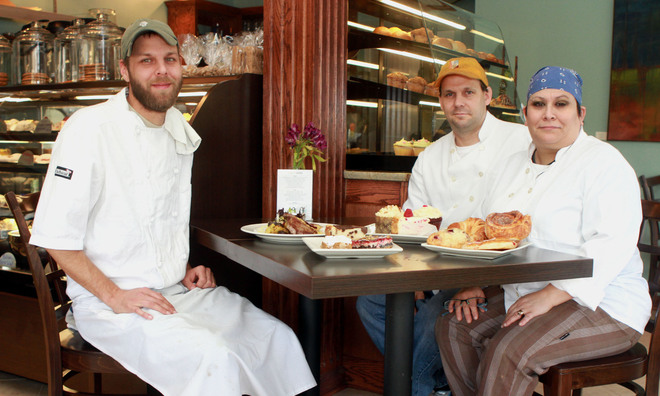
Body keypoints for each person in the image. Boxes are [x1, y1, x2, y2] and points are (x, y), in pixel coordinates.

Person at [29, 19, 316, 396]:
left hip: (175, 290)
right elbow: (57, 238)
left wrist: (181, 268)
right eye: (146, 61)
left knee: (276, 339)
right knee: (214, 357)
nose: (161, 70)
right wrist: (116, 296)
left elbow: (154, 218)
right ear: (125, 70)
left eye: (170, 59)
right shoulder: (89, 130)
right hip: (112, 304)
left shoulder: (178, 132)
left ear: (182, 66)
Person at [435, 66, 651, 396]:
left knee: (509, 348)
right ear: (525, 114)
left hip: (603, 302)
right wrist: (473, 282)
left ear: (580, 113)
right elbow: (484, 228)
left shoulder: (604, 163)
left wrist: (551, 294)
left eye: (561, 104)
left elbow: (612, 244)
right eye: (538, 104)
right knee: (455, 327)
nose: (549, 114)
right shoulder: (511, 165)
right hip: (523, 292)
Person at [356, 57, 531, 396]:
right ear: (440, 102)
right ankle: (439, 385)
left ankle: (415, 387)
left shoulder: (519, 142)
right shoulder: (430, 156)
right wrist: (412, 275)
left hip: (495, 272)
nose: (458, 102)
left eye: (468, 92)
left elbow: (521, 224)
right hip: (436, 268)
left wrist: (474, 281)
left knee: (431, 318)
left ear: (487, 95)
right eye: (449, 95)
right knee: (370, 302)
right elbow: (413, 220)